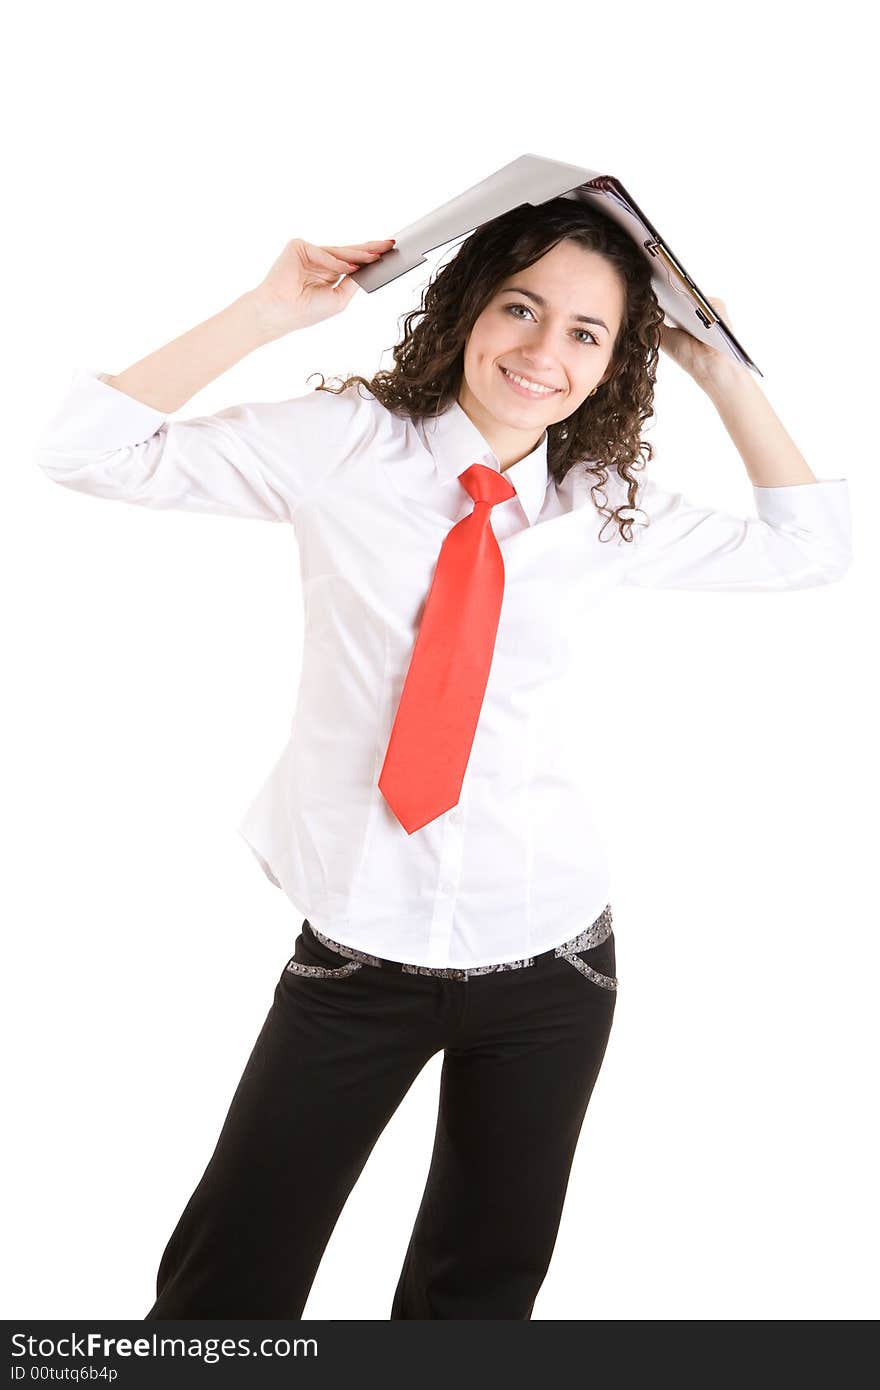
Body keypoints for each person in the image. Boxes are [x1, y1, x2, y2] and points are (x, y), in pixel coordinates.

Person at [34, 199, 852, 1319]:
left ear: (616, 363)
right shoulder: (345, 449)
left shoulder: (603, 511)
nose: (541, 351)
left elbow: (811, 551)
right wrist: (269, 311)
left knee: (477, 1301)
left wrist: (720, 368)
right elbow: (84, 448)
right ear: (468, 306)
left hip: (554, 964)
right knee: (225, 1291)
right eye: (521, 307)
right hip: (358, 961)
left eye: (585, 332)